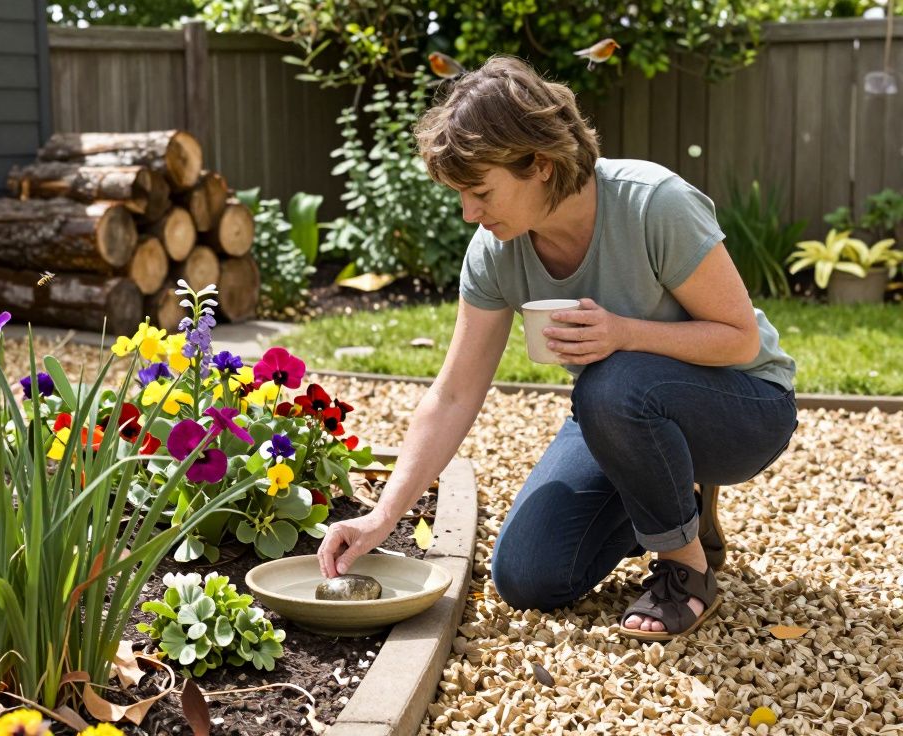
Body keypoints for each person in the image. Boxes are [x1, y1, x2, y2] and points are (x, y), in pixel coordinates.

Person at [316, 55, 798, 641]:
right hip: (620, 414)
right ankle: (677, 500)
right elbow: (453, 393)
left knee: (611, 383)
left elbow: (740, 338)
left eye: (479, 191)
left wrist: (626, 333)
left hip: (743, 407)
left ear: (539, 164)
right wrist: (382, 516)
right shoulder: (496, 251)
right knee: (528, 578)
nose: (469, 212)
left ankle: (685, 570)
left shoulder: (653, 203)